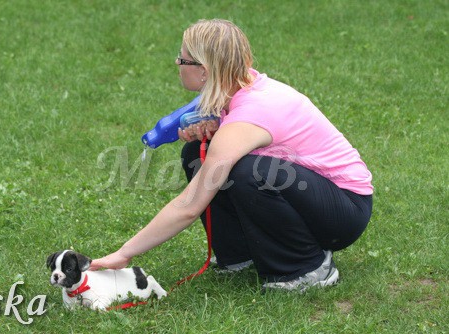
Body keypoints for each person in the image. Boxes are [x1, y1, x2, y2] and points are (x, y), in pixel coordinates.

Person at [90, 19, 373, 292]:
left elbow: (189, 206)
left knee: (248, 173)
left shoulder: (253, 111)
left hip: (345, 209)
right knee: (197, 152)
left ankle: (307, 268)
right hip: (318, 196)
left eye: (182, 58)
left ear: (204, 70)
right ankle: (241, 253)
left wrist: (124, 253)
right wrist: (216, 127)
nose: (177, 63)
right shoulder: (240, 83)